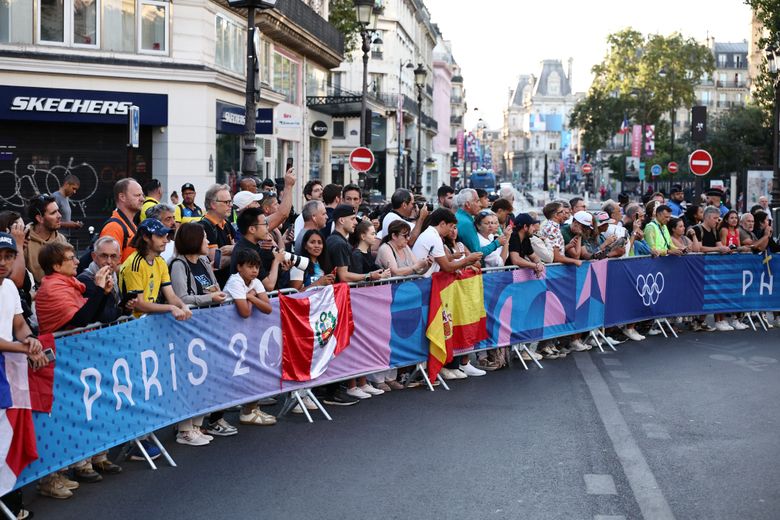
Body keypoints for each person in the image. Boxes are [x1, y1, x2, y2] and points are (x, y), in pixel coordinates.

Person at [35, 241, 115, 492]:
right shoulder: (52, 288)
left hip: (76, 359)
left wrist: (104, 294)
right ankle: (49, 478)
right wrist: (99, 292)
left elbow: (94, 317)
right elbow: (79, 319)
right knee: (58, 419)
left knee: (81, 412)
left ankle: (78, 462)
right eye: (71, 258)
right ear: (56, 265)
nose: (77, 261)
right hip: (57, 363)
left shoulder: (72, 285)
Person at [0, 233, 49, 508]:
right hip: (6, 367)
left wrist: (29, 338)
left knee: (6, 439)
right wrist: (24, 349)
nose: (4, 262)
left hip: (6, 373)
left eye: (9, 257)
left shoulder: (8, 287)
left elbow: (18, 324)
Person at [169, 223, 228, 445]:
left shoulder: (204, 262)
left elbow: (214, 286)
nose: (207, 242)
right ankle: (184, 429)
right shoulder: (178, 265)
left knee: (205, 377)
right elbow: (180, 298)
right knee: (189, 377)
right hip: (186, 328)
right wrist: (208, 298)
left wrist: (216, 295)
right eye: (203, 238)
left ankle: (197, 424)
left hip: (206, 326)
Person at [222, 248, 278, 426]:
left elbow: (268, 308)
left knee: (252, 369)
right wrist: (252, 298)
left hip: (244, 335)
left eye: (257, 267)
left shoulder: (254, 282)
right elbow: (245, 312)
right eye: (250, 266)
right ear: (239, 267)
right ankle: (222, 415)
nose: (254, 271)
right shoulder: (235, 282)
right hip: (227, 332)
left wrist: (251, 297)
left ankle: (250, 410)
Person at [119, 218, 192, 321]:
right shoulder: (134, 264)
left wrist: (183, 306)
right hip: (132, 324)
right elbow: (139, 305)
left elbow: (171, 296)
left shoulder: (160, 262)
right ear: (145, 237)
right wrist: (171, 308)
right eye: (160, 236)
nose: (166, 240)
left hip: (149, 321)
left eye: (166, 236)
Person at [77, 236, 135, 325]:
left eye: (113, 256)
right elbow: (104, 316)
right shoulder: (84, 280)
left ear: (119, 258)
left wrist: (127, 308)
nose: (109, 261)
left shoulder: (116, 275)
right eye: (104, 256)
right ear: (94, 256)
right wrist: (121, 310)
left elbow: (115, 310)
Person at [411, 208, 482, 277]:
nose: (451, 230)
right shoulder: (434, 237)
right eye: (451, 226)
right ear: (442, 224)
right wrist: (467, 259)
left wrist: (467, 263)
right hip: (421, 280)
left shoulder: (431, 234)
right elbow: (447, 267)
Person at [230, 207, 287, 291]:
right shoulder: (245, 252)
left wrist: (282, 268)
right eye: (264, 224)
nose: (267, 228)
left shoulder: (256, 246)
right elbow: (269, 285)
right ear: (252, 229)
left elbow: (269, 273)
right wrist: (276, 261)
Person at [25, 194, 70, 285]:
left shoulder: (61, 239)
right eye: (53, 213)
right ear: (39, 218)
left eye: (58, 211)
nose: (59, 216)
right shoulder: (24, 240)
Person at [454, 189, 506, 265]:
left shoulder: (459, 216)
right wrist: (497, 243)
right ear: (468, 204)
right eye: (477, 201)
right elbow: (477, 253)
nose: (480, 205)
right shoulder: (466, 223)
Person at [201, 183, 237, 287]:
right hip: (215, 288)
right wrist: (237, 251)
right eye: (227, 202)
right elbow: (217, 262)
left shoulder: (227, 224)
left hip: (229, 285)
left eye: (231, 201)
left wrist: (233, 249)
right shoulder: (205, 227)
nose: (230, 205)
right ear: (213, 204)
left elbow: (234, 247)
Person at [100, 178, 144, 262]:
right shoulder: (113, 227)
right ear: (122, 197)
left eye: (142, 195)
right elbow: (109, 265)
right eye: (137, 195)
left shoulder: (131, 225)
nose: (142, 199)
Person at [539, 202, 581, 267]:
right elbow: (556, 257)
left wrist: (569, 245)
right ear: (556, 215)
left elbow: (554, 251)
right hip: (554, 269)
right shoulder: (553, 229)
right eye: (562, 212)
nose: (565, 215)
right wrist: (575, 261)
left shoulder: (551, 227)